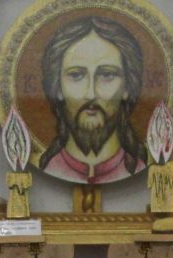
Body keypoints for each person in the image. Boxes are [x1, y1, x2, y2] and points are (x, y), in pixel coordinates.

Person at [37, 14, 149, 185]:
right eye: (76, 75)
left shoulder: (141, 171)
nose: (91, 94)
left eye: (107, 75)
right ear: (57, 88)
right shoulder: (46, 173)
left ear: (127, 87)